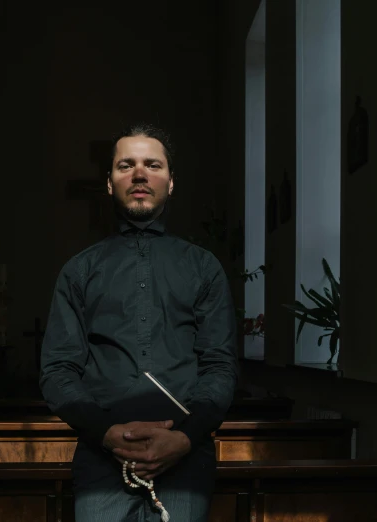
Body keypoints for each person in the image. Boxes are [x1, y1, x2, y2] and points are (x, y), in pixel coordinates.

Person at [39, 123, 239, 521]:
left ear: (171, 182)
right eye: (125, 165)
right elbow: (57, 371)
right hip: (102, 460)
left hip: (186, 456)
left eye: (153, 164)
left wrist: (184, 437)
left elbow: (220, 367)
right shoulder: (80, 271)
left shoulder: (204, 268)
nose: (140, 174)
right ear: (110, 184)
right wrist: (107, 434)